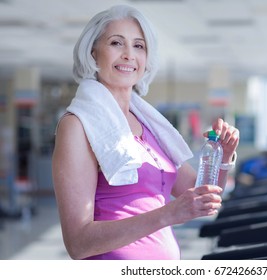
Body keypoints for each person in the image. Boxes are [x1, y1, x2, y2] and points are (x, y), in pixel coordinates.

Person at [52, 5, 239, 260]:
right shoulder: (77, 126)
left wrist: (223, 156)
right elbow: (78, 242)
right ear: (94, 54)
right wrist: (169, 214)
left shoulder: (150, 125)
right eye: (117, 43)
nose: (129, 54)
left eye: (138, 46)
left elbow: (202, 196)